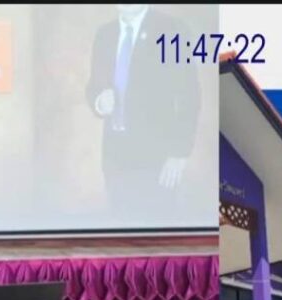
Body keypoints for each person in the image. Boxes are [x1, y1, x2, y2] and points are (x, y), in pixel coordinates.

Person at [85, 4, 200, 215]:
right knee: (122, 230)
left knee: (160, 229)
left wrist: (180, 152)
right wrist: (99, 101)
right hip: (115, 160)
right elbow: (93, 86)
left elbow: (189, 94)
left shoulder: (171, 29)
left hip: (157, 161)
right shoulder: (104, 35)